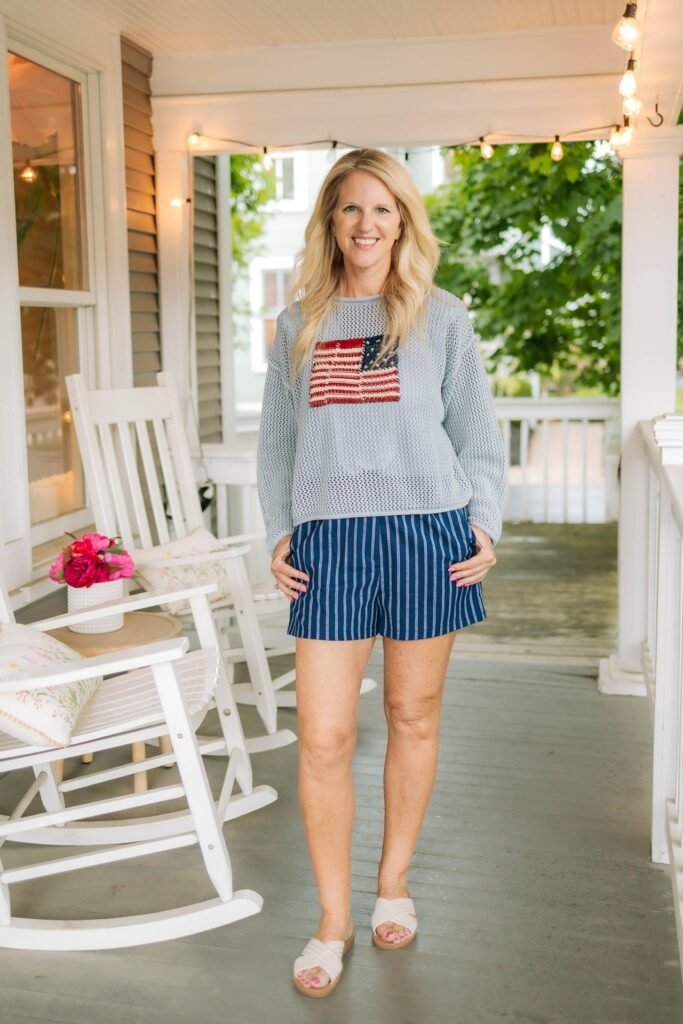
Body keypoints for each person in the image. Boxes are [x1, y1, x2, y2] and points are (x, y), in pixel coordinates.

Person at [256, 148, 506, 998]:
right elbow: (278, 444)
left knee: (411, 712)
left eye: (383, 210)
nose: (366, 225)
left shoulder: (442, 319)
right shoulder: (297, 324)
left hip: (426, 533)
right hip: (328, 541)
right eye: (350, 209)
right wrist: (280, 530)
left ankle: (391, 881)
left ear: (404, 222)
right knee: (323, 738)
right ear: (330, 220)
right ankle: (332, 921)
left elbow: (478, 437)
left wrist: (484, 525)